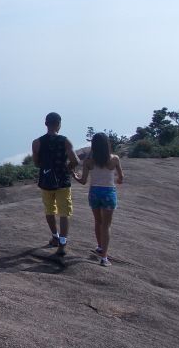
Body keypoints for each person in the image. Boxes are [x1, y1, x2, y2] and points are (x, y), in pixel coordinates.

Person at [73, 132, 125, 267]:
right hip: (108, 192)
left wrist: (74, 175)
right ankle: (104, 258)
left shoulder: (88, 162)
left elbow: (83, 181)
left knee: (98, 222)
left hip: (94, 193)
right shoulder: (114, 159)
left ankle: (100, 247)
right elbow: (121, 177)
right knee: (106, 226)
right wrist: (118, 180)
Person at [32, 112, 79, 255]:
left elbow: (36, 163)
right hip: (62, 182)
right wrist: (67, 169)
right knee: (64, 212)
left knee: (49, 210)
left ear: (46, 124)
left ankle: (55, 236)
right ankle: (62, 242)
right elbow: (75, 160)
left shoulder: (37, 142)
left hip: (46, 181)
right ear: (59, 124)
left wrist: (47, 167)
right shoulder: (65, 141)